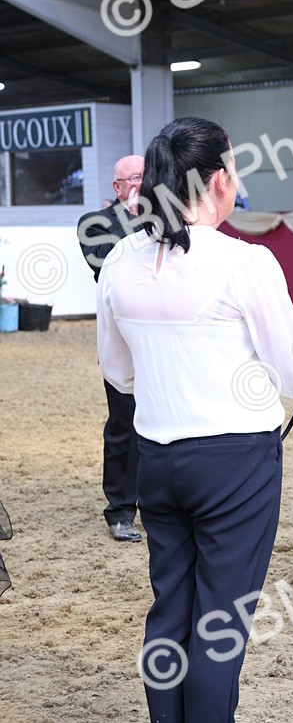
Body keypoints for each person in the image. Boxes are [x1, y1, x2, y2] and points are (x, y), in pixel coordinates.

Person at [96, 116, 293, 723]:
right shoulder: (244, 263)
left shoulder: (121, 262)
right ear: (219, 181)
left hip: (157, 461)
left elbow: (119, 371)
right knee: (221, 621)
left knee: (170, 612)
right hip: (235, 463)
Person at [77, 155, 144, 540]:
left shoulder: (171, 219)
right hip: (123, 343)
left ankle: (158, 504)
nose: (139, 183)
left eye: (144, 176)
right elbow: (109, 268)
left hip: (168, 341)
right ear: (117, 188)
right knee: (125, 427)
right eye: (131, 178)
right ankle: (120, 510)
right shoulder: (95, 223)